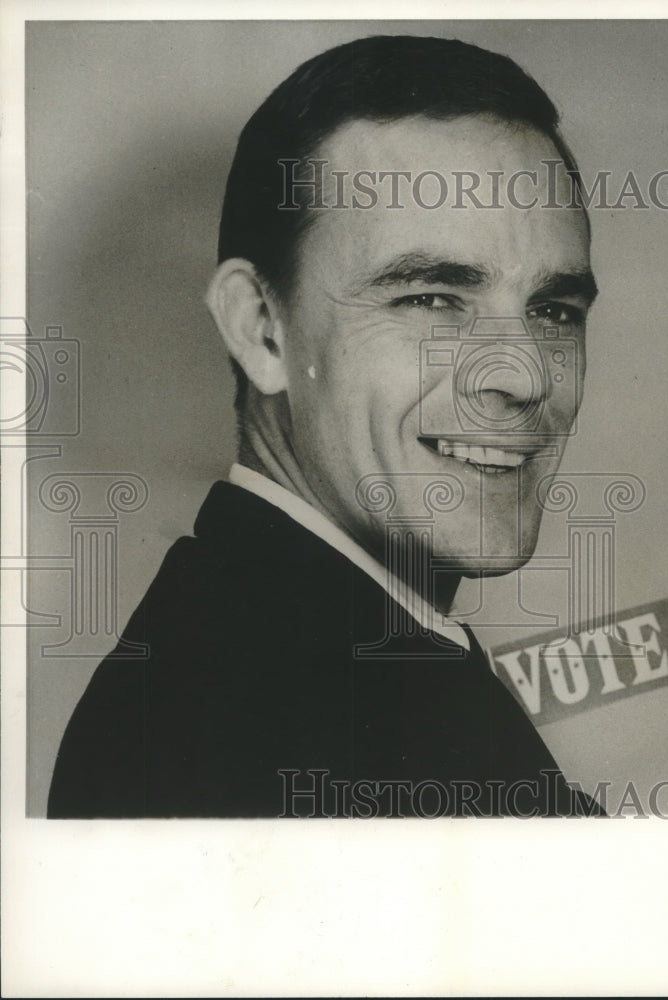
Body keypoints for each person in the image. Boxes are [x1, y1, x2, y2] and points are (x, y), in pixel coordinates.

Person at [48, 34, 601, 818]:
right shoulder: (242, 727)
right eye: (432, 298)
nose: (522, 376)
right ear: (262, 330)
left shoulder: (335, 662)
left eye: (553, 311)